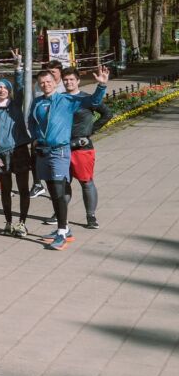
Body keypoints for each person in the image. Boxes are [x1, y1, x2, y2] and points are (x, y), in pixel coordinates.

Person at [26, 61, 108, 250]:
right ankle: (65, 229)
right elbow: (32, 121)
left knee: (59, 190)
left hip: (60, 151)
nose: (45, 85)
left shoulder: (66, 101)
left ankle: (62, 232)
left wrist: (102, 85)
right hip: (42, 151)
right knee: (54, 192)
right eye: (42, 83)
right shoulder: (38, 102)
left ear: (55, 82)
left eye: (48, 81)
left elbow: (93, 102)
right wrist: (36, 138)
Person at [61, 65, 111, 230]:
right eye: (66, 80)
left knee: (86, 182)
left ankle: (91, 216)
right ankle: (60, 213)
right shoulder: (59, 99)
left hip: (82, 148)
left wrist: (91, 130)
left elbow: (107, 113)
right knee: (62, 183)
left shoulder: (86, 99)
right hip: (61, 146)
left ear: (78, 81)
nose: (69, 82)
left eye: (72, 80)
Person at [0, 78, 33, 236]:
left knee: (23, 189)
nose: (2, 89)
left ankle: (22, 223)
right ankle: (9, 222)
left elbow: (20, 89)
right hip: (1, 155)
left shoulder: (15, 105)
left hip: (19, 151)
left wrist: (18, 69)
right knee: (5, 191)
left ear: (9, 90)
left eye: (5, 87)